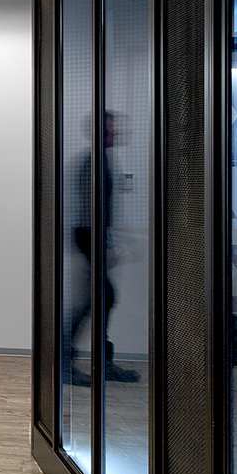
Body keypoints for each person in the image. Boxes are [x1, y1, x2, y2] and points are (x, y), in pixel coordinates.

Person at [65, 112, 140, 387]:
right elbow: (89, 208)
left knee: (102, 299)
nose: (116, 132)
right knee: (93, 301)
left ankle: (98, 362)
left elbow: (105, 209)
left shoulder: (104, 159)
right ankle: (65, 363)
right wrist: (102, 248)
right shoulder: (92, 161)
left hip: (94, 237)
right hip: (88, 237)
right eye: (110, 129)